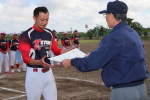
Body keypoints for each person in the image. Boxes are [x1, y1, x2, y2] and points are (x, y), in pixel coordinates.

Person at [62, 0, 149, 100]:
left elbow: (93, 63)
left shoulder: (114, 37)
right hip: (141, 89)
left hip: (124, 92)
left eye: (106, 15)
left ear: (111, 15)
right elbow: (119, 54)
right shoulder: (133, 33)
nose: (106, 19)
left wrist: (72, 61)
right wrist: (94, 54)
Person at [18, 6, 72, 100]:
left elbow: (56, 50)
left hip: (48, 73)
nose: (45, 22)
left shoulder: (49, 33)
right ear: (34, 18)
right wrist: (39, 62)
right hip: (34, 74)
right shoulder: (26, 35)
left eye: (47, 20)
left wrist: (67, 51)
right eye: (42, 19)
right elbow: (25, 58)